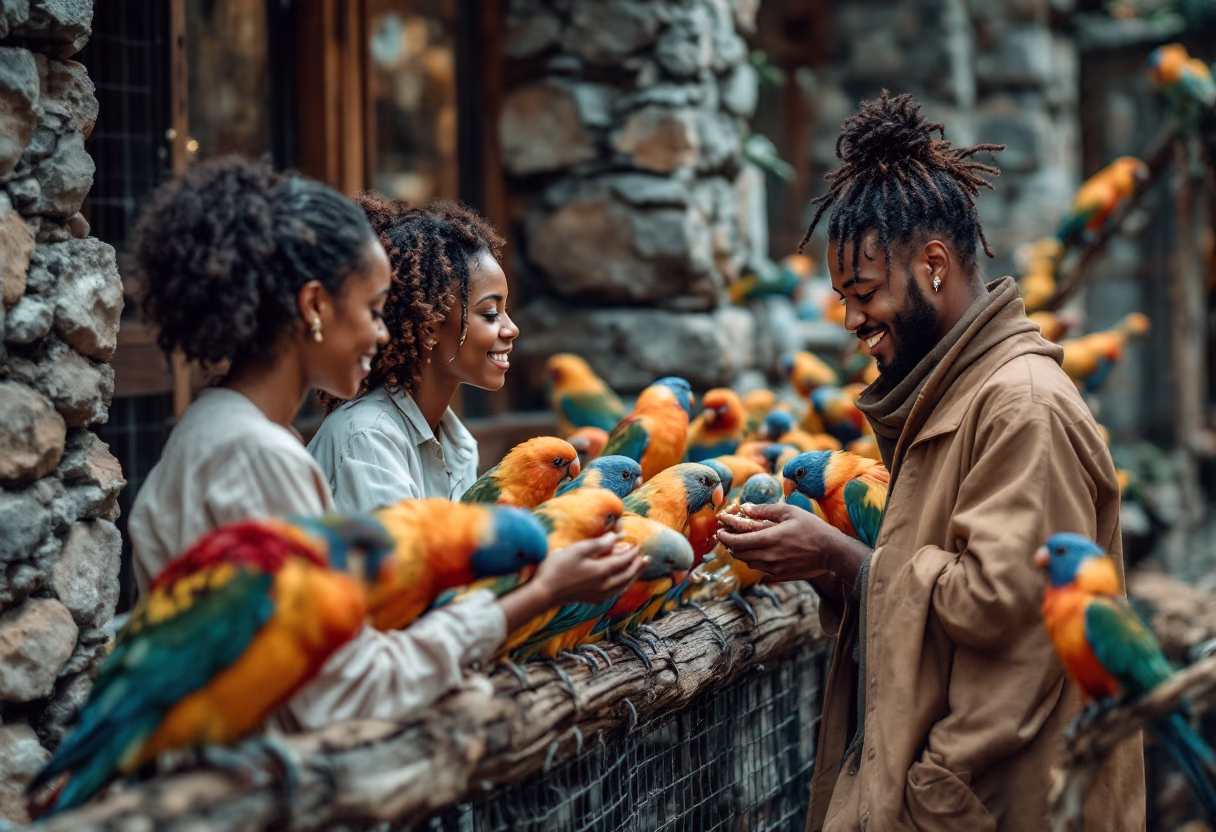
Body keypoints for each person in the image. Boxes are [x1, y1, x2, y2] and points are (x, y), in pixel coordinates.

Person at [716, 91, 1145, 831]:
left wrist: (845, 559)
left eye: (864, 292)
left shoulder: (1022, 408)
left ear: (935, 265)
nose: (850, 319)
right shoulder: (961, 394)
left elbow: (1000, 613)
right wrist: (831, 566)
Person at [127, 158, 643, 730]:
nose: (382, 331)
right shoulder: (260, 454)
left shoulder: (226, 431)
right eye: (374, 310)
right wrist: (543, 592)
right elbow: (345, 683)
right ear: (315, 307)